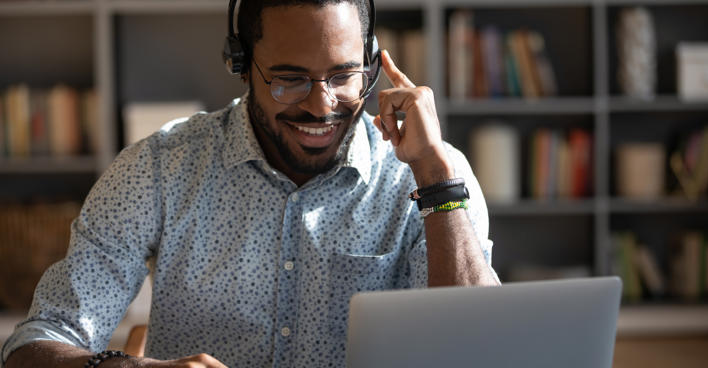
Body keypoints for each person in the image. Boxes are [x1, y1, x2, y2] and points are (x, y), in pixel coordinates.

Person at [2, 1, 499, 367]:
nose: (322, 106)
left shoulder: (431, 174)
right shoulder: (159, 169)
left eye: (344, 76)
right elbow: (34, 345)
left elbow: (483, 349)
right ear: (240, 65)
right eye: (290, 78)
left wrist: (435, 178)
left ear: (371, 63)